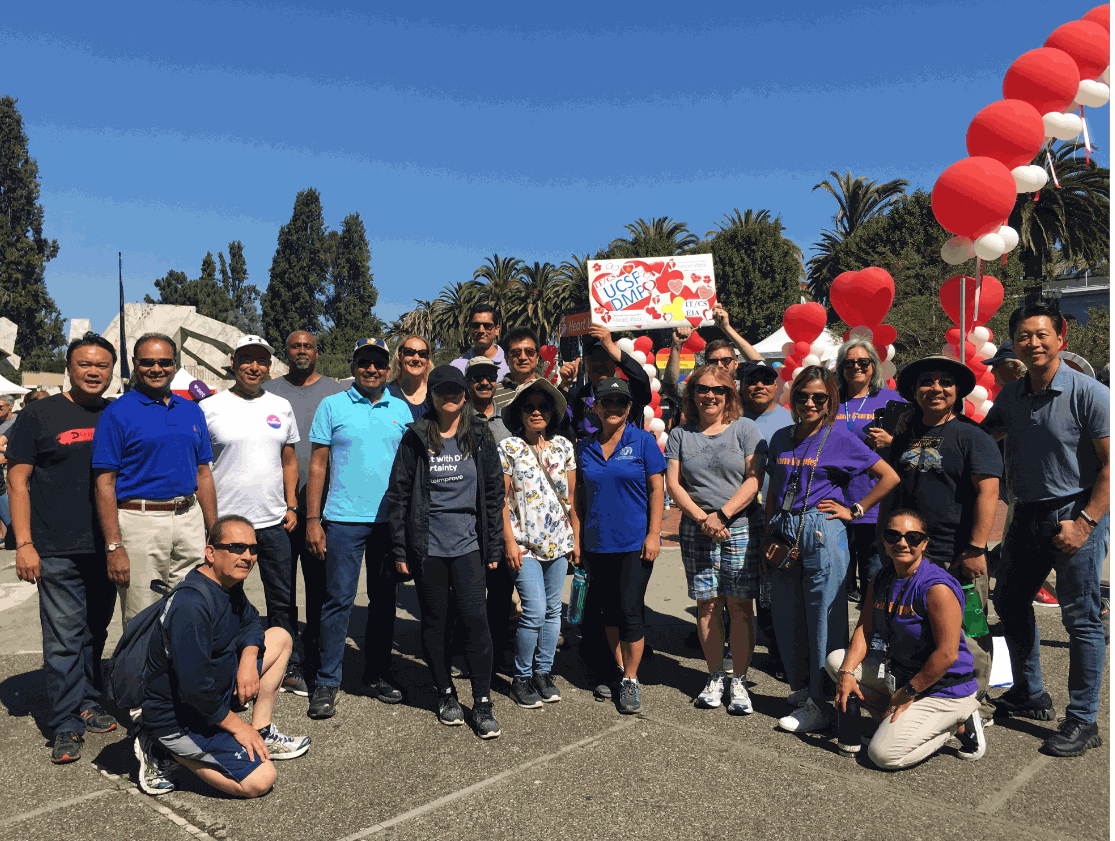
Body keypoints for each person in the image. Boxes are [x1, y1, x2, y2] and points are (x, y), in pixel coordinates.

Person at [982, 303, 1109, 757]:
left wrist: (1087, 523)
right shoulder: (1012, 395)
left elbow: (1111, 466)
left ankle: (1082, 720)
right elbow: (983, 436)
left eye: (1041, 334)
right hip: (1027, 514)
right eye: (1023, 336)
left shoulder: (1089, 393)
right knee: (1009, 599)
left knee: (1081, 619)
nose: (1033, 342)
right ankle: (1030, 692)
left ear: (1061, 339)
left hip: (1075, 515)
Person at [134, 515, 310, 798]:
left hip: (212, 692)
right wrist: (238, 728)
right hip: (178, 716)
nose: (248, 556)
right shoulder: (191, 605)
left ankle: (262, 729)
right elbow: (194, 689)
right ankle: (160, 746)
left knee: (280, 638)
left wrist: (247, 662)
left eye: (253, 549)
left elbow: (252, 621)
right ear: (211, 552)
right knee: (261, 780)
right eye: (237, 547)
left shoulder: (227, 583)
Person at [765, 365, 899, 733]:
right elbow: (774, 491)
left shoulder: (838, 437)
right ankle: (805, 689)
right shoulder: (781, 438)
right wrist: (767, 533)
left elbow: (889, 476)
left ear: (830, 402)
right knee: (786, 615)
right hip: (783, 530)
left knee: (824, 618)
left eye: (818, 397)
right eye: (802, 396)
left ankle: (823, 702)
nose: (809, 403)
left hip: (822, 531)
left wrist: (854, 510)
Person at [9, 333, 119, 764]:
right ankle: (65, 722)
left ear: (112, 370)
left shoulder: (116, 414)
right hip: (55, 548)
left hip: (107, 548)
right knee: (62, 641)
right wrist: (24, 543)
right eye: (85, 365)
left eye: (102, 366)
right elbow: (17, 482)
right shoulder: (39, 414)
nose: (94, 372)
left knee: (95, 633)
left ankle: (88, 701)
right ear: (69, 369)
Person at [386, 366, 505, 738]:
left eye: (456, 390)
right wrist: (401, 548)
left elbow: (493, 492)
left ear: (465, 394)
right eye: (442, 391)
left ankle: (483, 701)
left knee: (475, 619)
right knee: (436, 623)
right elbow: (400, 495)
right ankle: (445, 693)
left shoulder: (480, 435)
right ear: (432, 396)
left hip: (469, 544)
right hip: (428, 546)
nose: (449, 397)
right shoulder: (416, 437)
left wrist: (495, 543)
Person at [883, 355, 1001, 721]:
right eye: (927, 382)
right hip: (912, 555)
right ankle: (929, 691)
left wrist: (976, 548)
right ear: (914, 391)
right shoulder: (904, 433)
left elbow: (989, 494)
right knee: (923, 630)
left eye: (945, 382)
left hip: (958, 557)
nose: (936, 388)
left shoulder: (972, 436)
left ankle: (975, 704)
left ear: (958, 390)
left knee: (972, 631)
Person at [304, 338, 411, 718]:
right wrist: (313, 520)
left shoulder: (401, 410)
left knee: (384, 603)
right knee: (338, 602)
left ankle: (377, 673)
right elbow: (317, 465)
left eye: (379, 363)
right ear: (354, 365)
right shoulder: (332, 405)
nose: (371, 369)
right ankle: (327, 681)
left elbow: (411, 470)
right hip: (344, 520)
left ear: (388, 368)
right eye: (364, 362)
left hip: (388, 525)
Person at [830, 509, 985, 769]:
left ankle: (960, 725)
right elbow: (865, 628)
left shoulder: (937, 587)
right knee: (837, 662)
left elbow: (947, 654)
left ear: (924, 543)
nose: (903, 543)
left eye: (913, 537)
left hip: (942, 687)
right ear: (884, 540)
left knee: (883, 756)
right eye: (894, 535)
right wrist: (847, 673)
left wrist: (910, 690)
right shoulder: (881, 577)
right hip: (901, 673)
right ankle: (890, 721)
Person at [92, 333, 217, 627]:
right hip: (139, 522)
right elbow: (104, 484)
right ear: (136, 364)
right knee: (142, 618)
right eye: (148, 362)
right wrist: (113, 545)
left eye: (164, 362)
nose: (156, 368)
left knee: (191, 610)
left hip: (188, 520)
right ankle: (140, 674)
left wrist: (215, 529)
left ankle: (182, 673)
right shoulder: (116, 413)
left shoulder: (192, 410)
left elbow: (203, 474)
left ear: (175, 365)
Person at [202, 335, 303, 691]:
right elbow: (201, 469)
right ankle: (225, 664)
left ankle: (287, 665)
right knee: (224, 599)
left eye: (261, 360)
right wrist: (210, 522)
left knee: (282, 600)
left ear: (269, 366)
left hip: (274, 522)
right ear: (233, 362)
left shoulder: (280, 405)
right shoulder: (210, 408)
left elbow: (289, 460)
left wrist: (292, 504)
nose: (254, 366)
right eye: (247, 359)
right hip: (228, 528)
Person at [665, 364, 766, 714]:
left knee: (738, 605)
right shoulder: (680, 434)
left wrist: (722, 516)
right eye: (702, 389)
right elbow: (674, 484)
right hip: (697, 526)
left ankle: (737, 679)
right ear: (692, 394)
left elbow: (754, 480)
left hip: (738, 524)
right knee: (708, 604)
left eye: (718, 390)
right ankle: (714, 676)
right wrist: (703, 518)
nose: (710, 395)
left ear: (729, 395)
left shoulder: (745, 429)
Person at [575, 377, 666, 714]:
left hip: (634, 543)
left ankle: (630, 679)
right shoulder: (583, 447)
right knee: (607, 612)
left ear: (630, 408)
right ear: (595, 407)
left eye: (620, 402)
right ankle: (616, 669)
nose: (613, 407)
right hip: (597, 544)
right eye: (606, 401)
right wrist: (578, 541)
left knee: (629, 611)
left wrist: (654, 534)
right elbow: (579, 499)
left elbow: (657, 489)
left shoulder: (642, 441)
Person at [262, 331, 346, 696]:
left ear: (317, 351)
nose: (300, 351)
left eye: (307, 346)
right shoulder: (268, 391)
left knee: (318, 587)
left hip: (320, 509)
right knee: (280, 592)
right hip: (278, 507)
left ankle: (313, 654)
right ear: (287, 351)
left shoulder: (335, 392)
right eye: (294, 346)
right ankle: (287, 661)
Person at [498, 379, 578, 708]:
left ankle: (543, 673)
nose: (535, 412)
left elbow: (571, 499)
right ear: (519, 412)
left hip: (559, 543)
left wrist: (576, 541)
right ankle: (521, 677)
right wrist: (509, 544)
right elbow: (501, 500)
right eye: (528, 407)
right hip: (525, 545)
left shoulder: (563, 448)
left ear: (552, 412)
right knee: (533, 611)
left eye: (542, 407)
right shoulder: (508, 448)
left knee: (551, 612)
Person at [834, 339, 904, 603]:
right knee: (836, 578)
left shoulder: (891, 400)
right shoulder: (831, 401)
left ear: (874, 366)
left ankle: (874, 639)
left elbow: (914, 445)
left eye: (863, 362)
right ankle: (835, 639)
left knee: (874, 578)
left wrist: (892, 442)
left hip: (873, 501)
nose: (856, 367)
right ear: (841, 369)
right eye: (849, 363)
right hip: (834, 501)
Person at [738, 361, 793, 680]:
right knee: (749, 589)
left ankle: (784, 653)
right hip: (743, 519)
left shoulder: (790, 418)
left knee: (780, 591)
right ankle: (746, 647)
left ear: (777, 385)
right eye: (752, 381)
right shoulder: (732, 419)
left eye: (766, 380)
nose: (759, 386)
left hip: (781, 521)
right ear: (742, 386)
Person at [567, 324, 652, 440]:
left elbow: (641, 379)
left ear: (614, 361)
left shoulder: (631, 390)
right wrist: (564, 385)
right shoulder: (578, 395)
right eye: (593, 359)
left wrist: (609, 345)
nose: (599, 364)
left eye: (605, 357)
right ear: (585, 364)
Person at [450, 303, 509, 380]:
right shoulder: (457, 368)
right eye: (476, 325)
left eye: (487, 325)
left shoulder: (511, 364)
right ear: (469, 329)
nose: (481, 330)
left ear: (497, 330)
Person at [465, 357, 511, 444]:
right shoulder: (459, 420)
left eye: (491, 377)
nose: (485, 382)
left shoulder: (508, 418)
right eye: (477, 377)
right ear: (467, 383)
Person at [386, 334, 432, 422]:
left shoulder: (435, 394)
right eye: (409, 352)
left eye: (422, 354)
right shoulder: (387, 393)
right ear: (399, 356)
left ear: (427, 359)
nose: (416, 359)